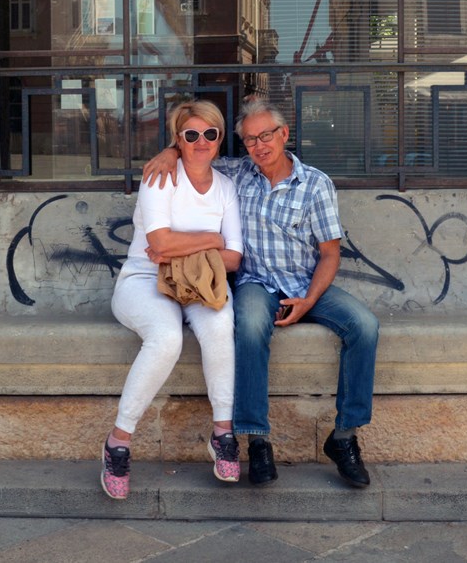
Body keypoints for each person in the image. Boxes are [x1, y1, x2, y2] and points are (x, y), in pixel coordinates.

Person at [144, 100, 379, 488]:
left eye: (266, 135)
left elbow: (330, 254)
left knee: (365, 326)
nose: (259, 145)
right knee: (250, 326)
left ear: (284, 135)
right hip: (256, 282)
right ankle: (257, 440)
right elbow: (198, 149)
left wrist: (308, 300)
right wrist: (171, 151)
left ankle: (344, 438)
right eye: (250, 140)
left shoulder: (315, 184)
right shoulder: (237, 174)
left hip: (306, 282)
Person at [102, 101, 243, 500]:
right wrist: (212, 239)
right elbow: (158, 244)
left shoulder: (226, 187)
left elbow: (234, 257)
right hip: (144, 280)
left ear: (220, 138)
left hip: (200, 282)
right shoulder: (160, 177)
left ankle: (222, 433)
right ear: (178, 139)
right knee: (166, 338)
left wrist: (179, 248)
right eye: (191, 134)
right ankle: (118, 441)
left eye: (210, 134)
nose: (201, 142)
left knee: (220, 325)